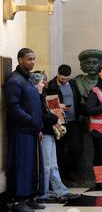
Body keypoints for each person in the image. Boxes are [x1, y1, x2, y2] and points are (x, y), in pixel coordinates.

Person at [4, 48, 45, 212]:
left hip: (32, 129)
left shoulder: (27, 78)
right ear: (20, 60)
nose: (33, 62)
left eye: (34, 59)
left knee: (32, 165)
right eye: (29, 59)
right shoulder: (14, 80)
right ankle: (18, 200)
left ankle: (29, 197)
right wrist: (31, 120)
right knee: (22, 165)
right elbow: (13, 107)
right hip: (21, 130)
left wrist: (37, 125)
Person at [30, 73, 80, 204]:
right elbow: (41, 115)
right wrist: (55, 118)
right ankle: (43, 193)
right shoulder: (35, 98)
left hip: (49, 131)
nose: (44, 83)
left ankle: (60, 190)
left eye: (44, 81)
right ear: (35, 84)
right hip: (44, 132)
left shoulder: (42, 96)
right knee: (46, 165)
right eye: (41, 81)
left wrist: (57, 114)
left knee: (53, 164)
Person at [46, 65, 83, 185]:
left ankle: (71, 171)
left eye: (67, 79)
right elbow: (48, 104)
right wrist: (58, 106)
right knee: (59, 150)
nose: (65, 81)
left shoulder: (72, 83)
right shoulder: (51, 85)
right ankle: (61, 176)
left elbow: (77, 99)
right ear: (58, 74)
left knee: (76, 148)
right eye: (62, 79)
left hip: (73, 121)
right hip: (59, 122)